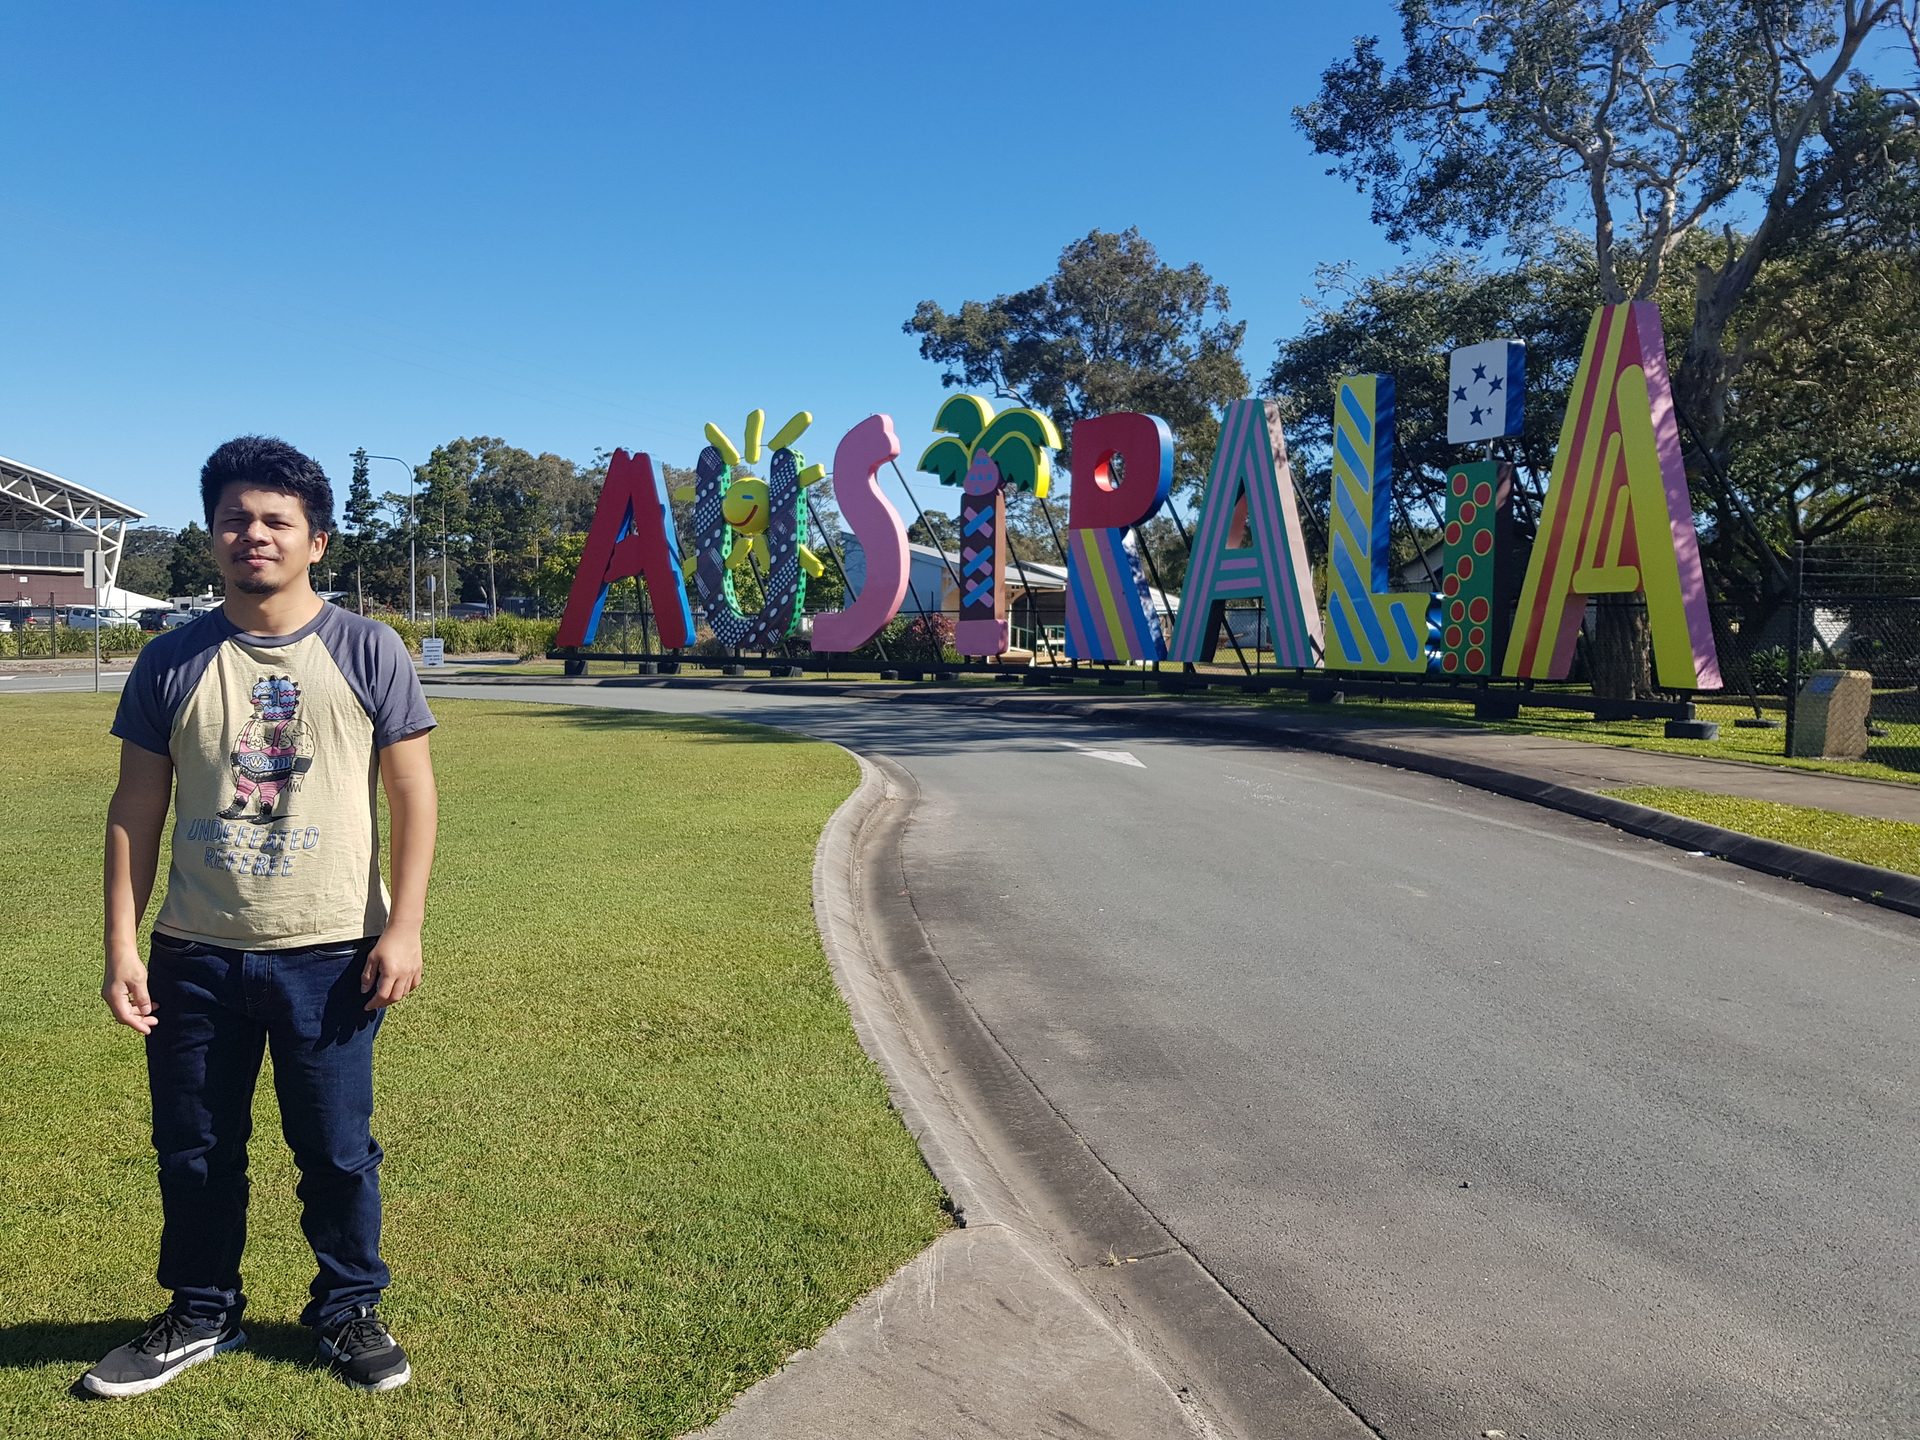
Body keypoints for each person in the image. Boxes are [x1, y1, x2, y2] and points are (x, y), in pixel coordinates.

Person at [86, 436, 437, 1399]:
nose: (255, 535)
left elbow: (414, 795)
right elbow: (135, 809)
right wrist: (123, 942)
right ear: (212, 534)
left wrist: (401, 928)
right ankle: (203, 1309)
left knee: (334, 1148)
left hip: (330, 954)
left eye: (276, 520)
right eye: (236, 518)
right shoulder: (170, 660)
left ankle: (347, 1306)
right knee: (194, 1147)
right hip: (194, 954)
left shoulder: (368, 648)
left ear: (315, 539)